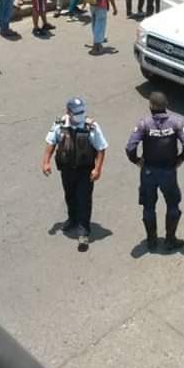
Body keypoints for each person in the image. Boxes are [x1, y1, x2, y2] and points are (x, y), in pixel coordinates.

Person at [125, 91, 184, 251]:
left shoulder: (144, 124)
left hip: (148, 172)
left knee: (148, 207)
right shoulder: (176, 123)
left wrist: (137, 161)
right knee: (173, 205)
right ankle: (170, 240)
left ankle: (151, 241)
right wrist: (180, 159)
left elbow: (130, 148)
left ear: (150, 106)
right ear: (166, 106)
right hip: (169, 172)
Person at [41, 97, 108, 253]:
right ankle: (72, 219)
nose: (80, 115)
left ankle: (84, 231)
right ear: (68, 112)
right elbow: (51, 143)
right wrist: (45, 162)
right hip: (67, 169)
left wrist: (97, 168)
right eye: (77, 112)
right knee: (69, 196)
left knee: (84, 199)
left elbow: (101, 148)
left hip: (85, 171)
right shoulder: (59, 125)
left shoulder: (91, 126)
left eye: (82, 111)